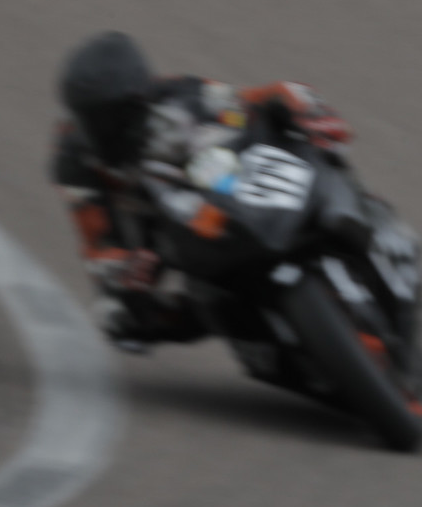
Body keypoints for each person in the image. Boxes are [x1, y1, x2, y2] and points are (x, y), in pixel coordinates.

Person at [51, 30, 353, 352]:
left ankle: (338, 205)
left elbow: (247, 102)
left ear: (140, 97)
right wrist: (123, 267)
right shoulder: (75, 160)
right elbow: (95, 240)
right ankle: (255, 335)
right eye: (93, 119)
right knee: (118, 317)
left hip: (216, 188)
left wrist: (299, 104)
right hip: (158, 238)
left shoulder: (180, 92)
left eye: (113, 116)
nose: (104, 129)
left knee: (299, 138)